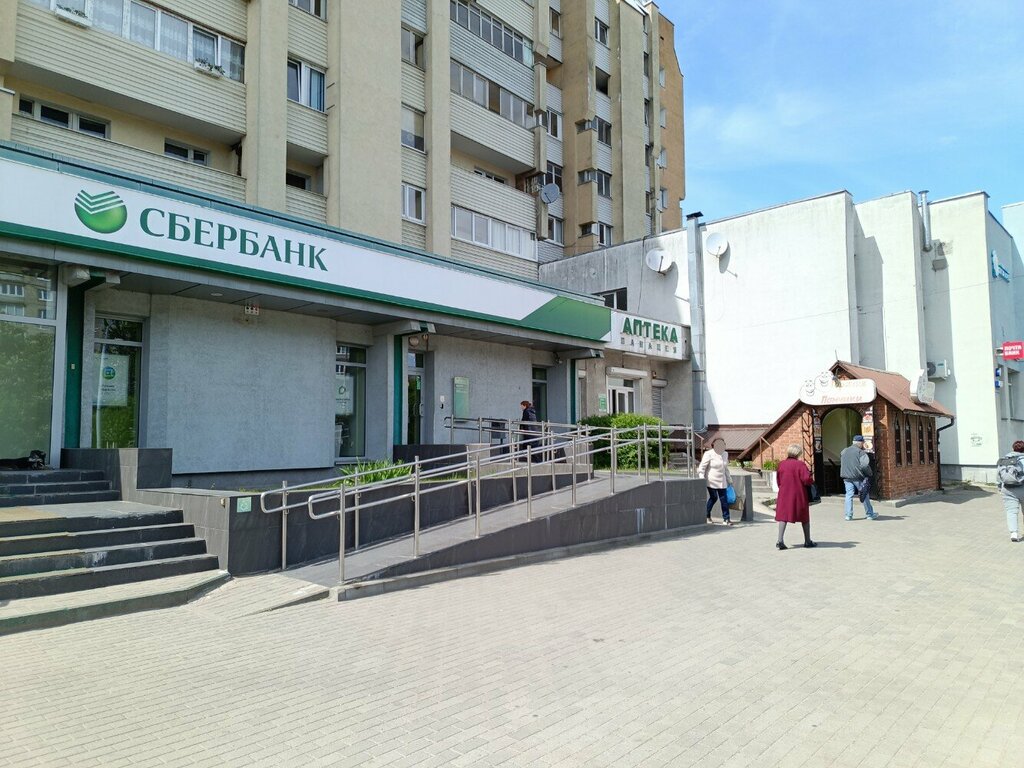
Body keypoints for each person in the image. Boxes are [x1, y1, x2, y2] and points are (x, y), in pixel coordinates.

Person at [774, 443, 815, 549]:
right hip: (798, 494)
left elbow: (778, 480)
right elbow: (806, 479)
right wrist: (811, 479)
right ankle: (807, 541)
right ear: (798, 453)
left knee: (783, 516)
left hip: (784, 493)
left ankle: (780, 540)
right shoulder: (800, 465)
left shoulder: (781, 464)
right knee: (804, 517)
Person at [840, 435, 876, 520]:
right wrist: (869, 473)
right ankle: (870, 514)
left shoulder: (844, 451)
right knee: (864, 494)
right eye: (863, 443)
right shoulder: (860, 452)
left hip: (846, 477)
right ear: (860, 443)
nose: (863, 444)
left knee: (849, 495)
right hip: (858, 477)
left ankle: (848, 515)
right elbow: (864, 465)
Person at [698, 437, 733, 525]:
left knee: (724, 499)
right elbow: (702, 467)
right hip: (711, 480)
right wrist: (701, 477)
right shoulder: (709, 454)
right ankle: (707, 515)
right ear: (713, 445)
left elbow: (725, 468)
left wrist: (729, 479)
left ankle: (726, 519)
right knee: (714, 498)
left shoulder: (725, 454)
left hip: (722, 481)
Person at [997, 439, 1024, 542]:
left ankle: (1014, 533)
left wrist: (1000, 487)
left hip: (1008, 489)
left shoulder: (1004, 460)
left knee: (1011, 512)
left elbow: (998, 476)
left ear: (1013, 448)